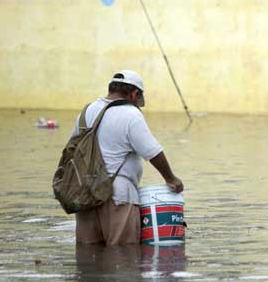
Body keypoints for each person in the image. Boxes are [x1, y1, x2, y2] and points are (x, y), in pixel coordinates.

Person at [71, 70, 184, 246]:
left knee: (88, 253)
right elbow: (153, 152)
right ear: (134, 93)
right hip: (118, 194)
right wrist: (171, 178)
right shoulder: (130, 114)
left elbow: (73, 149)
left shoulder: (86, 112)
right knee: (123, 253)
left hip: (85, 193)